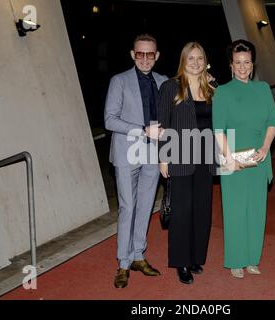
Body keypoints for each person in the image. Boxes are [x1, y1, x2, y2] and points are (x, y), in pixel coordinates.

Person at [104, 34, 168, 288]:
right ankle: (123, 262)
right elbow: (109, 120)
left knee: (145, 207)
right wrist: (142, 130)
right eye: (139, 54)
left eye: (149, 54)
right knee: (128, 207)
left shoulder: (164, 82)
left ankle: (138, 256)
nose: (144, 59)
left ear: (157, 56)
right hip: (127, 153)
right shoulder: (119, 81)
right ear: (132, 54)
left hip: (153, 153)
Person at [212, 39, 275, 279]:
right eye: (238, 63)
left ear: (252, 65)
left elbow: (272, 121)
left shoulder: (262, 89)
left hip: (259, 158)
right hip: (233, 159)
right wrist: (230, 159)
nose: (242, 67)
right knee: (235, 210)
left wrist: (265, 147)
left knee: (257, 210)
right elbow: (218, 129)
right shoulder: (223, 92)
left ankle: (252, 259)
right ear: (231, 65)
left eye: (246, 62)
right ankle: (236, 260)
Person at [157, 42, 216, 285]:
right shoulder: (171, 86)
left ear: (205, 61)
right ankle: (181, 262)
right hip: (180, 158)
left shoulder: (212, 87)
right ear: (183, 61)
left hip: (206, 158)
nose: (195, 62)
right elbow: (162, 125)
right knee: (182, 213)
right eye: (190, 58)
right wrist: (163, 157)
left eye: (199, 58)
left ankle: (195, 258)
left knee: (202, 211)